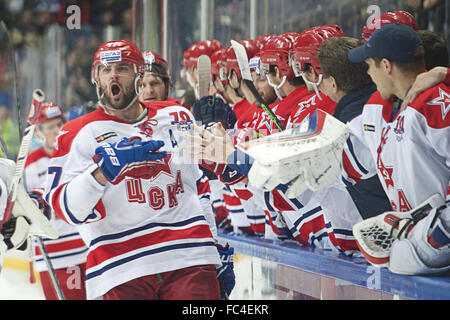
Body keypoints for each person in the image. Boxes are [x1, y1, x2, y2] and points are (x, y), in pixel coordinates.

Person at [44, 39, 223, 300]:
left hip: (189, 254)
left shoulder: (177, 116)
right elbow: (67, 209)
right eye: (106, 70)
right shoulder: (77, 133)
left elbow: (200, 186)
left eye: (122, 68)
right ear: (97, 78)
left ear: (140, 75)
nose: (113, 75)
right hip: (120, 266)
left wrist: (216, 245)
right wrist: (102, 172)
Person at [348, 23, 449, 274]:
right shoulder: (396, 108)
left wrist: (439, 233)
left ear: (386, 66)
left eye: (370, 65)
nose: (369, 74)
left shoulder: (434, 103)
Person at [24, 101, 88, 300]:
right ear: (38, 133)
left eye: (59, 124)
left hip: (85, 248)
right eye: (50, 127)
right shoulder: (30, 166)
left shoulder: (78, 154)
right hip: (54, 256)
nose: (56, 130)